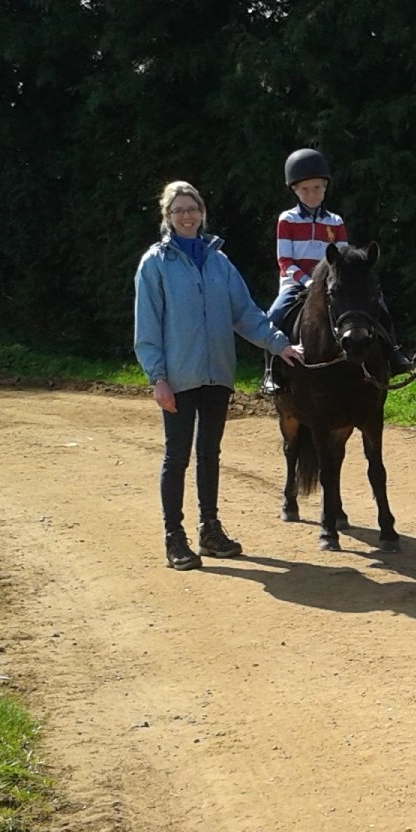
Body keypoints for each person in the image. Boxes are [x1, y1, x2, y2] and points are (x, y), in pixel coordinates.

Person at [135, 180, 305, 570]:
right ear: (168, 217)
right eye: (178, 210)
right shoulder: (155, 264)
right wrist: (157, 377)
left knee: (209, 454)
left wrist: (281, 345)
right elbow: (147, 327)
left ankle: (209, 530)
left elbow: (245, 313)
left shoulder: (219, 261)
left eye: (192, 208)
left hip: (217, 376)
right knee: (177, 455)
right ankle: (173, 537)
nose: (187, 216)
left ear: (202, 213)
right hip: (178, 377)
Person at [262, 147, 413, 392]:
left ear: (325, 187)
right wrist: (309, 283)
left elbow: (344, 259)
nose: (312, 194)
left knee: (379, 305)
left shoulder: (335, 221)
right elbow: (285, 262)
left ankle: (394, 354)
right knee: (273, 317)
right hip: (297, 283)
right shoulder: (287, 220)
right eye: (305, 189)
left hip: (333, 283)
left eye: (317, 188)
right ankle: (271, 371)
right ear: (294, 190)